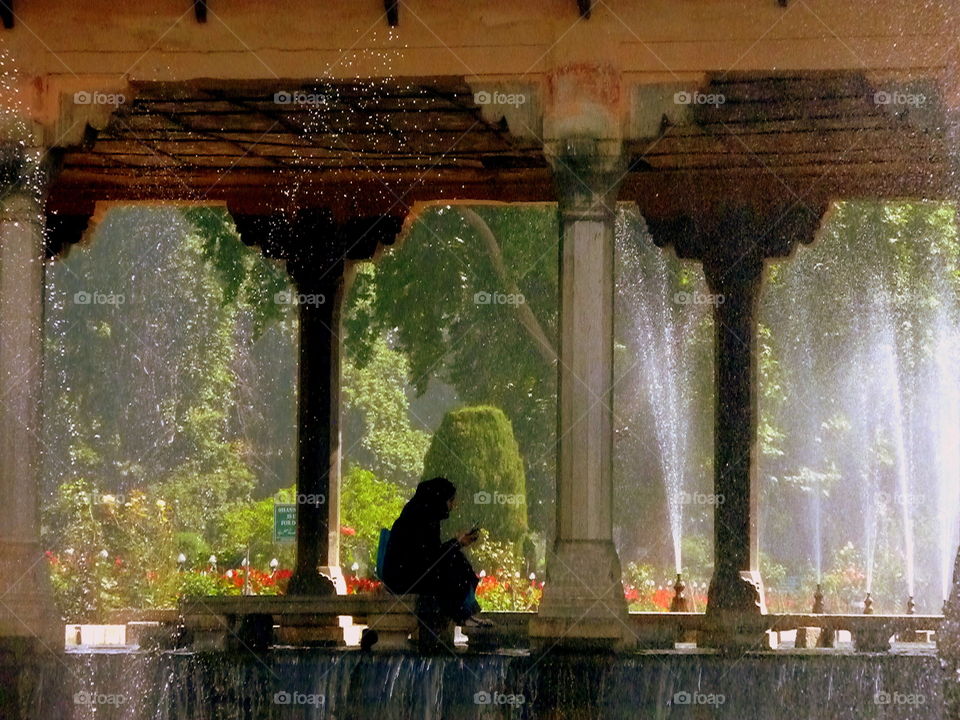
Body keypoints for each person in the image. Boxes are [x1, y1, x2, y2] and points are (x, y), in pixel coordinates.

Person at [382, 476, 488, 626]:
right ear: (439, 500)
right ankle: (464, 616)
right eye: (450, 501)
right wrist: (456, 543)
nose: (453, 505)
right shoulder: (419, 519)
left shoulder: (423, 514)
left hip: (413, 572)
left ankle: (465, 614)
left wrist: (457, 544)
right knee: (452, 564)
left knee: (454, 560)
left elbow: (431, 556)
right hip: (403, 579)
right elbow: (430, 558)